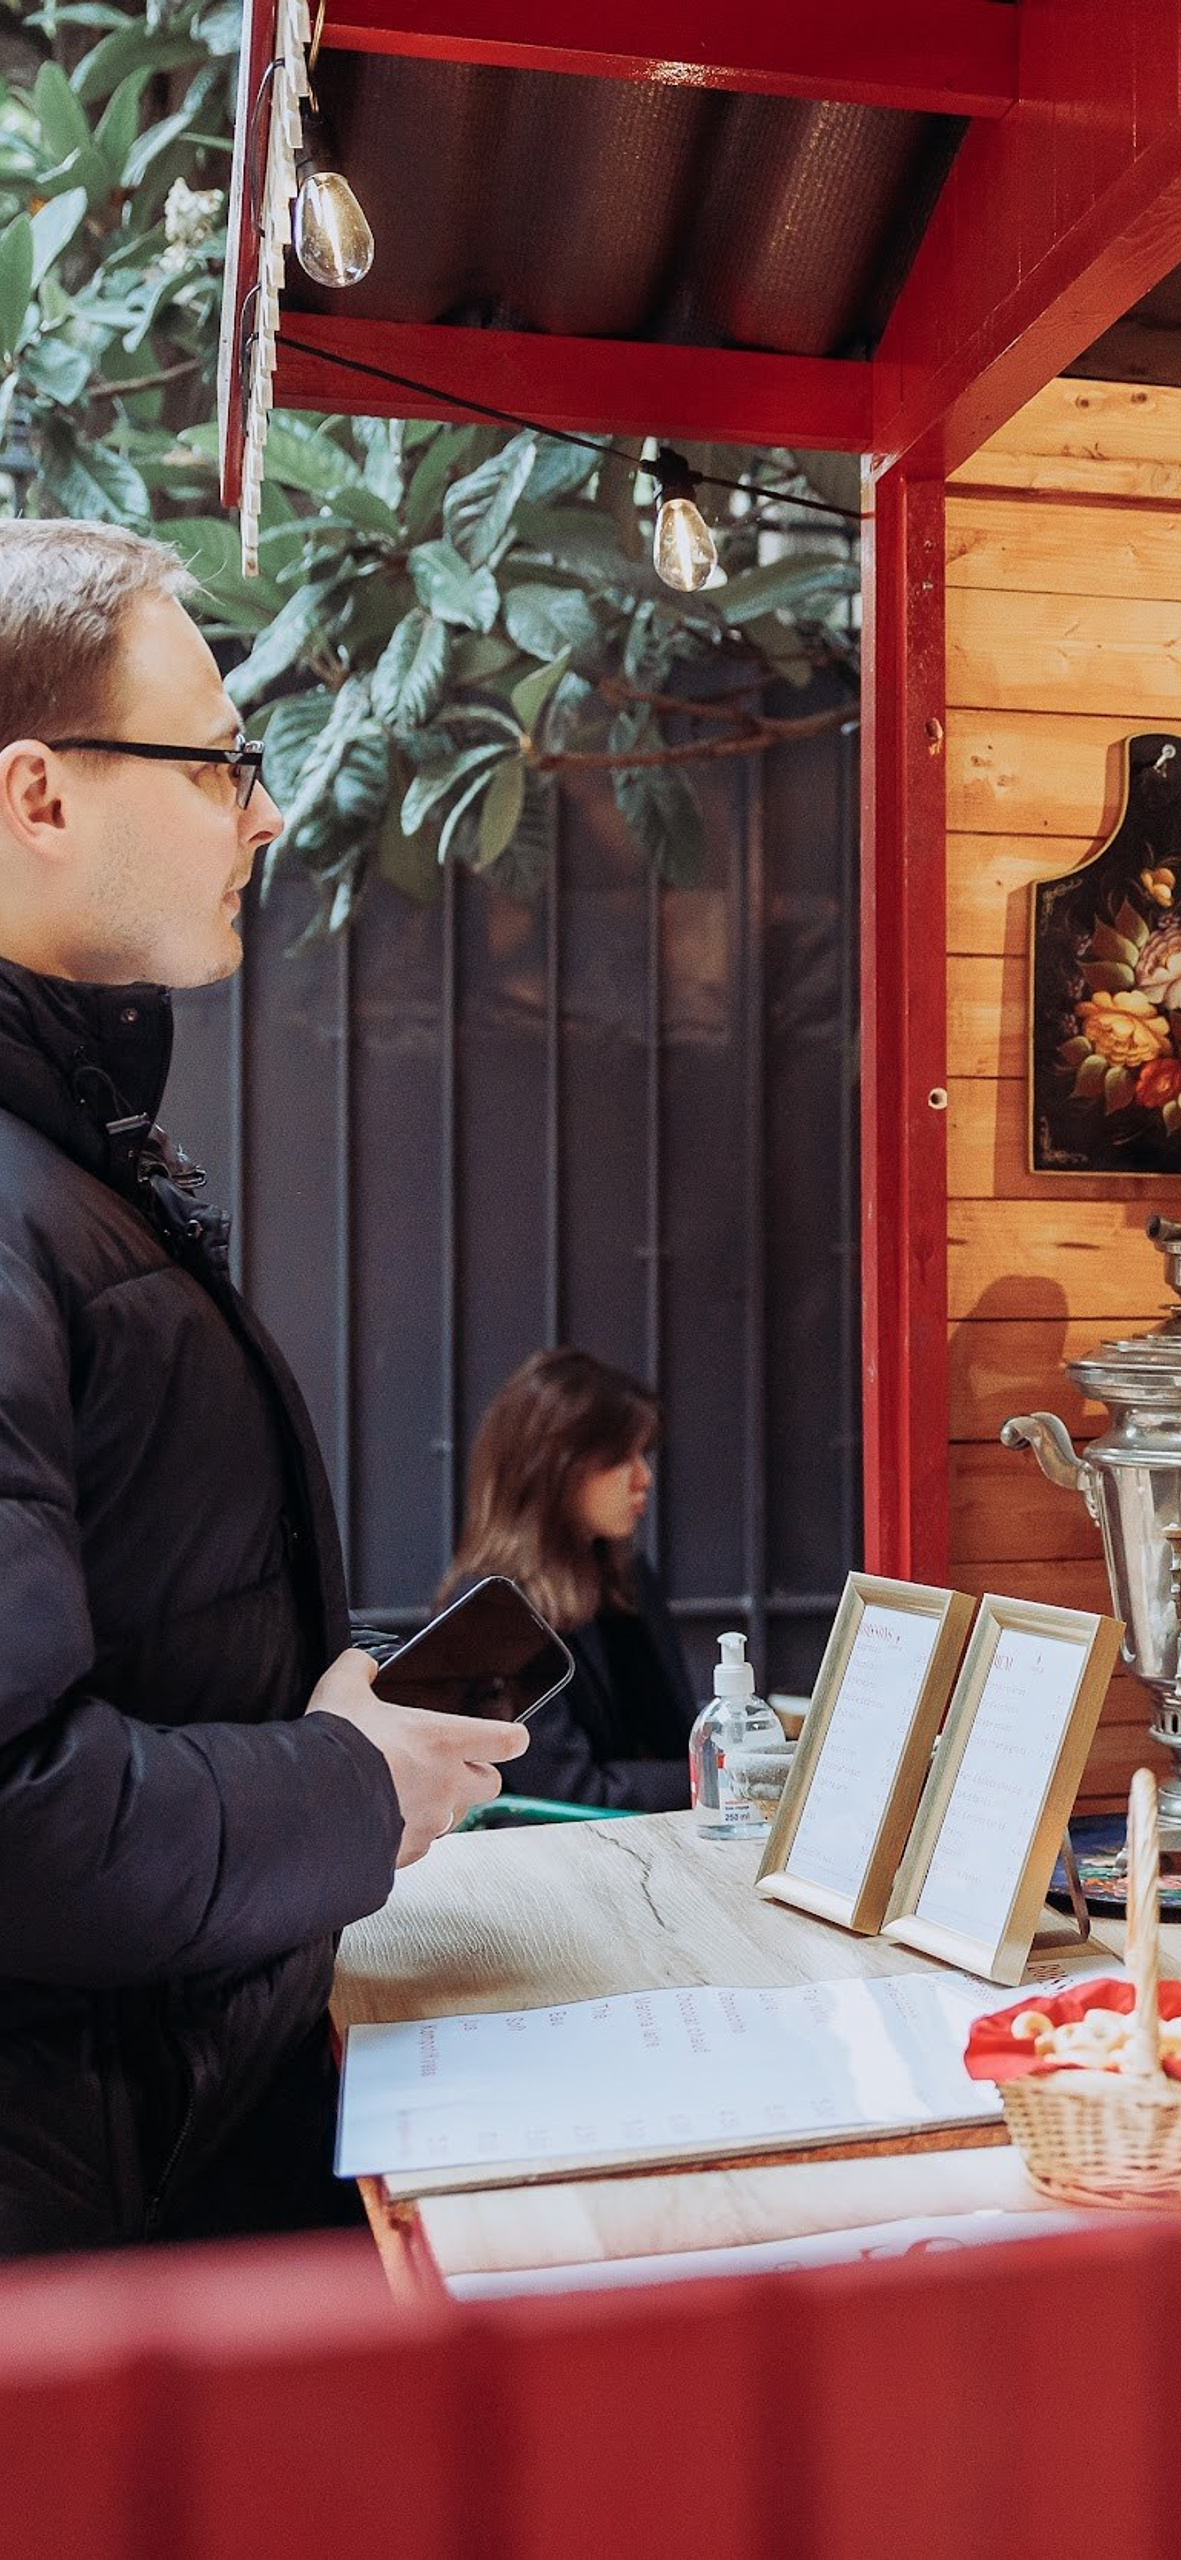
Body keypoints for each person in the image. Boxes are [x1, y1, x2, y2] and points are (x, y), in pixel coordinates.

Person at [0, 521, 527, 2255]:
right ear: (39, 797)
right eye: (220, 760)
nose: (267, 809)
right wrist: (346, 1782)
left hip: (177, 2138)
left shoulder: (67, 1155)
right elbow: (22, 1817)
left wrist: (336, 1742)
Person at [440, 1349, 695, 1811]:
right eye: (622, 1457)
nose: (644, 1478)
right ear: (557, 1468)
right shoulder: (492, 1613)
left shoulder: (629, 1578)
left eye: (643, 1454)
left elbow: (677, 1742)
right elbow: (571, 1795)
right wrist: (724, 1776)